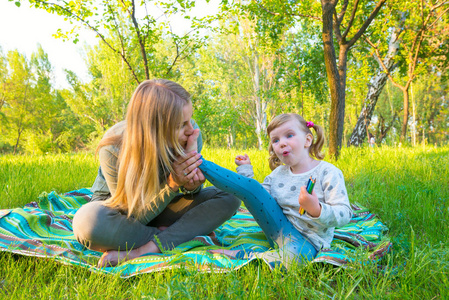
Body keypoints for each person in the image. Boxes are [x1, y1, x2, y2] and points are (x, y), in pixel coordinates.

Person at [72, 79, 241, 267]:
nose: (192, 130)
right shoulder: (113, 148)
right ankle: (182, 236)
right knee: (87, 222)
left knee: (232, 195)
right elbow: (133, 216)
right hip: (120, 211)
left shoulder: (190, 136)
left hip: (164, 206)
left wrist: (191, 186)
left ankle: (144, 249)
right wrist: (172, 184)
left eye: (190, 119)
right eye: (181, 124)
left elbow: (191, 193)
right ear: (153, 129)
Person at [197, 113, 352, 268]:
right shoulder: (278, 174)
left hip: (308, 242)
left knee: (293, 259)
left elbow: (344, 213)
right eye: (275, 140)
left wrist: (316, 209)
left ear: (307, 140)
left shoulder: (328, 172)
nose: (282, 143)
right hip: (277, 230)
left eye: (289, 135)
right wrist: (245, 171)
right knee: (252, 189)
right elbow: (258, 198)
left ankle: (247, 255)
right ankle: (198, 162)